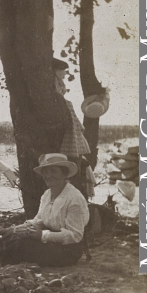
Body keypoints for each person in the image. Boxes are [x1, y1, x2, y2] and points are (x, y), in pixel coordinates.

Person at [0, 153, 90, 267]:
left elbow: (74, 235)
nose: (48, 175)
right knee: (5, 234)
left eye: (53, 171)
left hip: (68, 249)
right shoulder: (47, 194)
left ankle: (1, 263)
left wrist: (43, 235)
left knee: (22, 244)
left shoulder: (74, 199)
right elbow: (40, 219)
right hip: (49, 241)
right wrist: (25, 227)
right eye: (45, 172)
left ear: (65, 174)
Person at [53, 58, 92, 197]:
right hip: (62, 109)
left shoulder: (58, 83)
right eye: (62, 71)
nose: (64, 74)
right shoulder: (53, 83)